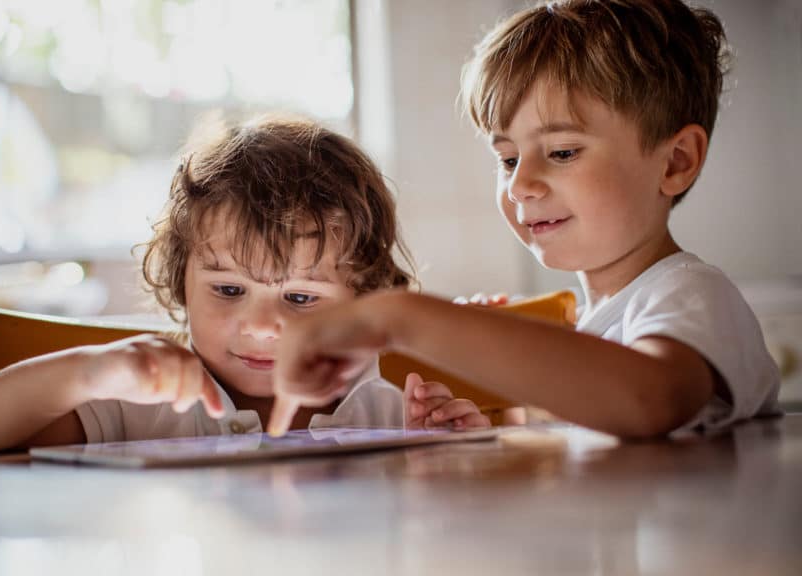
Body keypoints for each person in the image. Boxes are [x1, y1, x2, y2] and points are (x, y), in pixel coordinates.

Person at [267, 0, 780, 439]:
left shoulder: (691, 296)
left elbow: (651, 399)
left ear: (676, 162)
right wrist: (493, 424)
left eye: (561, 152)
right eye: (508, 159)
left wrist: (400, 316)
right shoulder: (591, 328)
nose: (519, 184)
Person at [0, 114, 488, 452]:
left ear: (365, 300)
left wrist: (449, 444)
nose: (258, 328)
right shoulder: (147, 403)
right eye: (229, 290)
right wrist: (91, 372)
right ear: (180, 277)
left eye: (299, 297)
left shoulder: (386, 410)